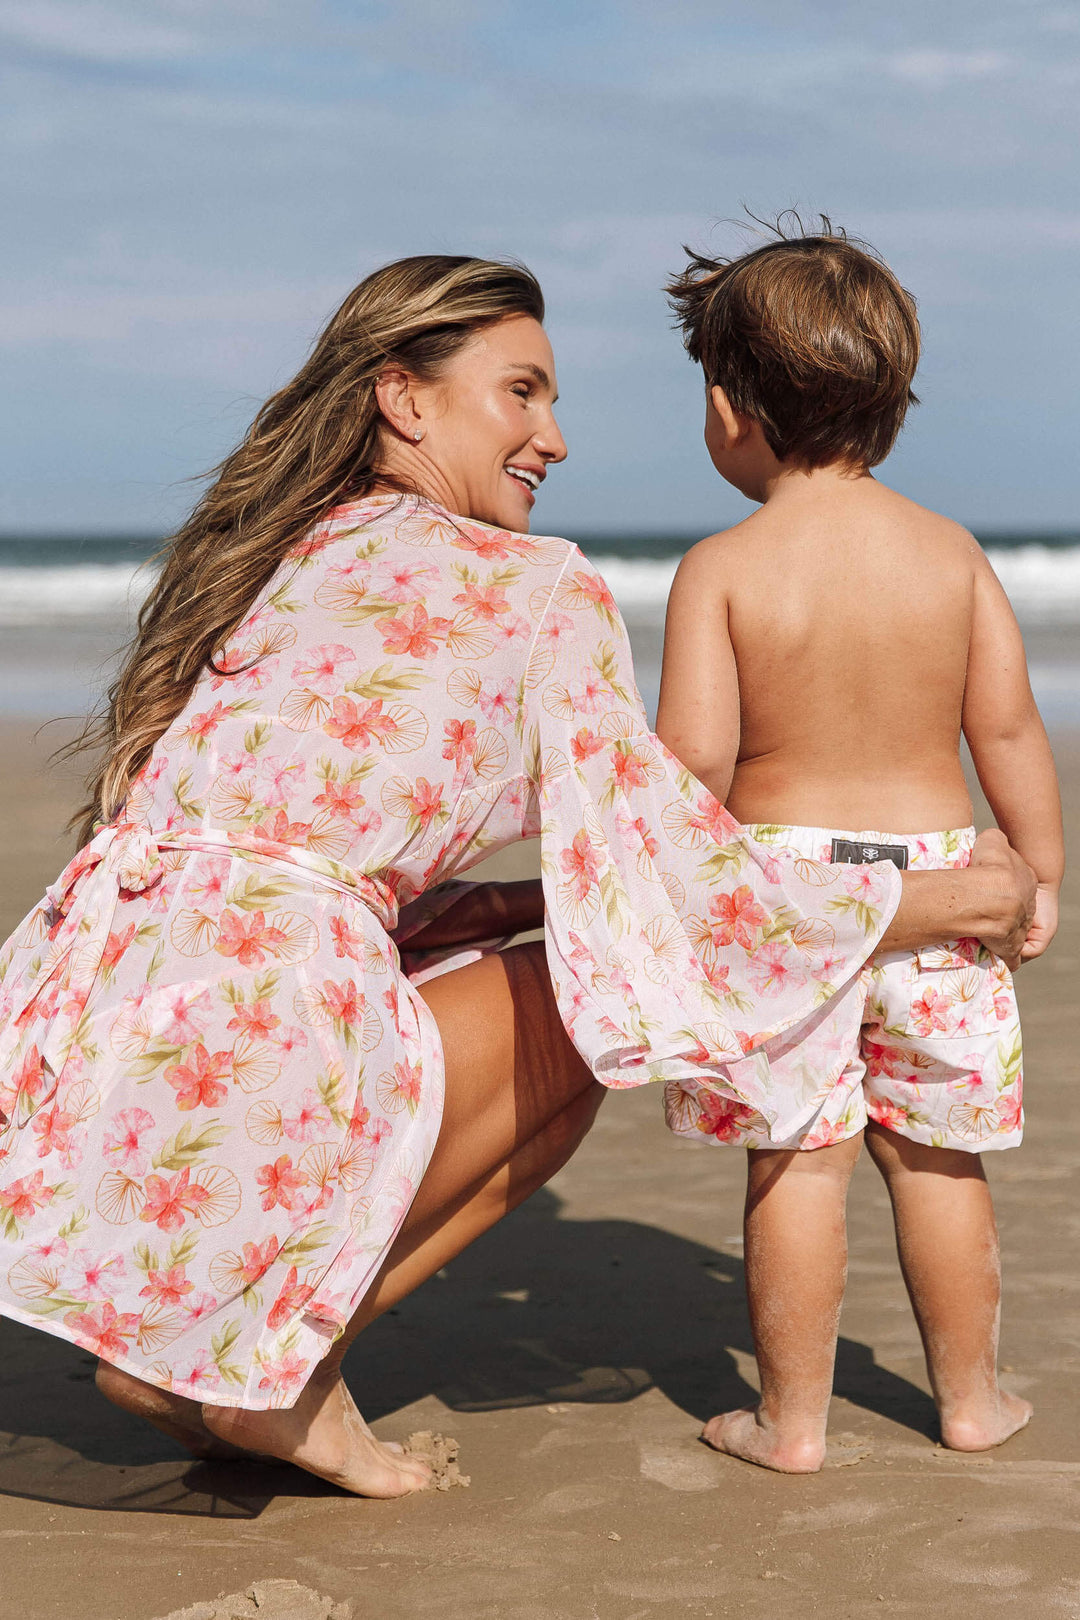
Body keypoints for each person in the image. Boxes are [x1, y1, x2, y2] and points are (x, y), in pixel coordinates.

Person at [0, 255, 1035, 1500]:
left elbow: (277, 847)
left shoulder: (276, 554)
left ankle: (214, 1325)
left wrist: (502, 901)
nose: (556, 436)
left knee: (567, 965)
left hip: (92, 1003)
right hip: (281, 1010)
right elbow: (670, 863)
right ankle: (257, 1358)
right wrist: (938, 902)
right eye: (524, 394)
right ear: (405, 398)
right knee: (588, 1007)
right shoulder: (535, 589)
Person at [657, 220, 1063, 1474]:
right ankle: (974, 1403)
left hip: (793, 909)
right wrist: (1039, 874)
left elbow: (697, 766)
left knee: (800, 1161)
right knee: (938, 1157)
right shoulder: (950, 554)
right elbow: (1003, 725)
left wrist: (664, 887)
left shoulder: (724, 569)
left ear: (733, 408)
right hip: (941, 887)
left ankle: (791, 1424)